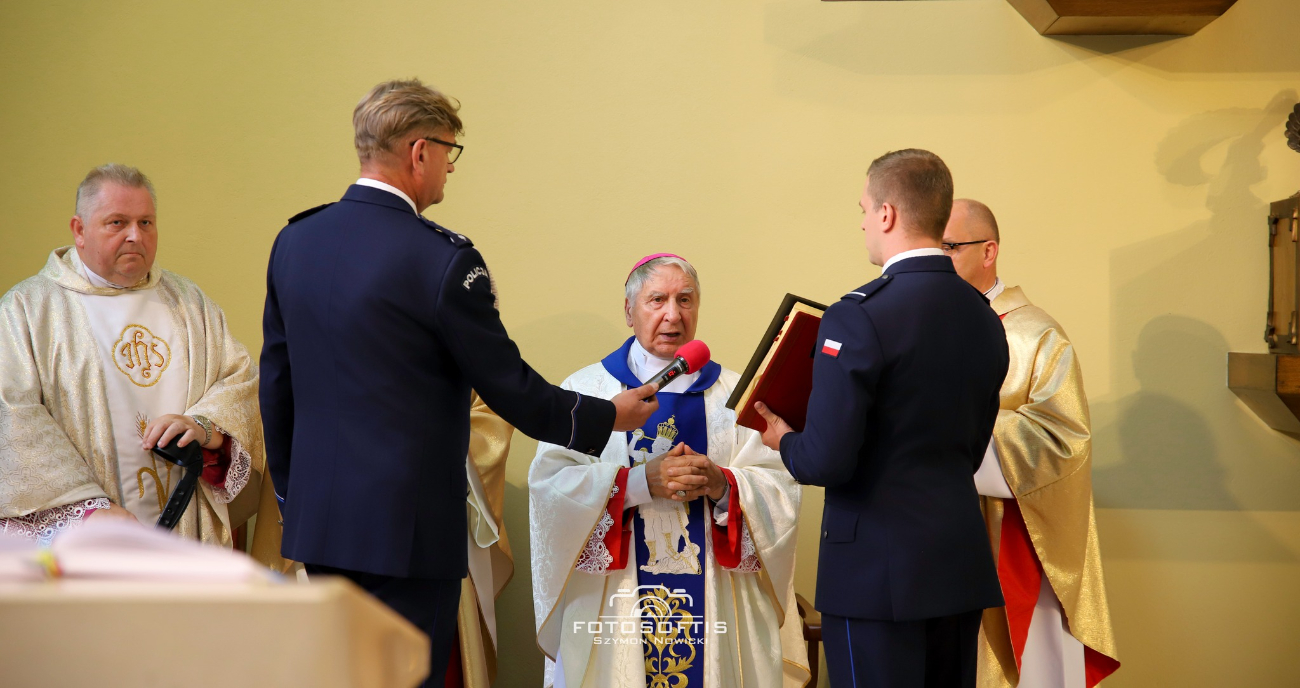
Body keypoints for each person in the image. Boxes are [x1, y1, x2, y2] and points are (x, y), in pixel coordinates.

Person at [259, 78, 658, 684]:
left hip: (321, 524)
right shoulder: (443, 258)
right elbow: (507, 384)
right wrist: (607, 416)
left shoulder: (295, 242)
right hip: (407, 529)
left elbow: (278, 383)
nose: (450, 168)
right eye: (450, 151)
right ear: (419, 151)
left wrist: (295, 497)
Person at [755, 149, 1009, 688]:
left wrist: (785, 440)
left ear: (888, 214)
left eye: (865, 210)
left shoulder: (859, 314)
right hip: (958, 563)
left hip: (874, 571)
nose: (864, 223)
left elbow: (826, 460)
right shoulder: (984, 316)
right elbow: (970, 447)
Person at [529, 255, 809, 688]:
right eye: (656, 300)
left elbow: (779, 485)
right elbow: (551, 488)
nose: (673, 315)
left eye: (685, 300)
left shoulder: (738, 396)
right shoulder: (586, 393)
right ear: (629, 311)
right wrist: (638, 483)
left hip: (716, 600)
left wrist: (723, 484)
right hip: (617, 604)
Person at [0, 163, 272, 553]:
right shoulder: (28, 310)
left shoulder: (188, 303)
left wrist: (203, 425)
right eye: (117, 223)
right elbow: (12, 413)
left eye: (146, 222)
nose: (135, 236)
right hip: (88, 538)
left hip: (187, 524)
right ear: (79, 230)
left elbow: (238, 379)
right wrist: (86, 507)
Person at [942, 199, 1120, 688]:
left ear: (989, 251)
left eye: (950, 247)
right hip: (933, 541)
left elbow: (1062, 439)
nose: (938, 260)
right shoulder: (924, 327)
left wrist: (950, 430)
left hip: (1011, 541)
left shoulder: (1034, 334)